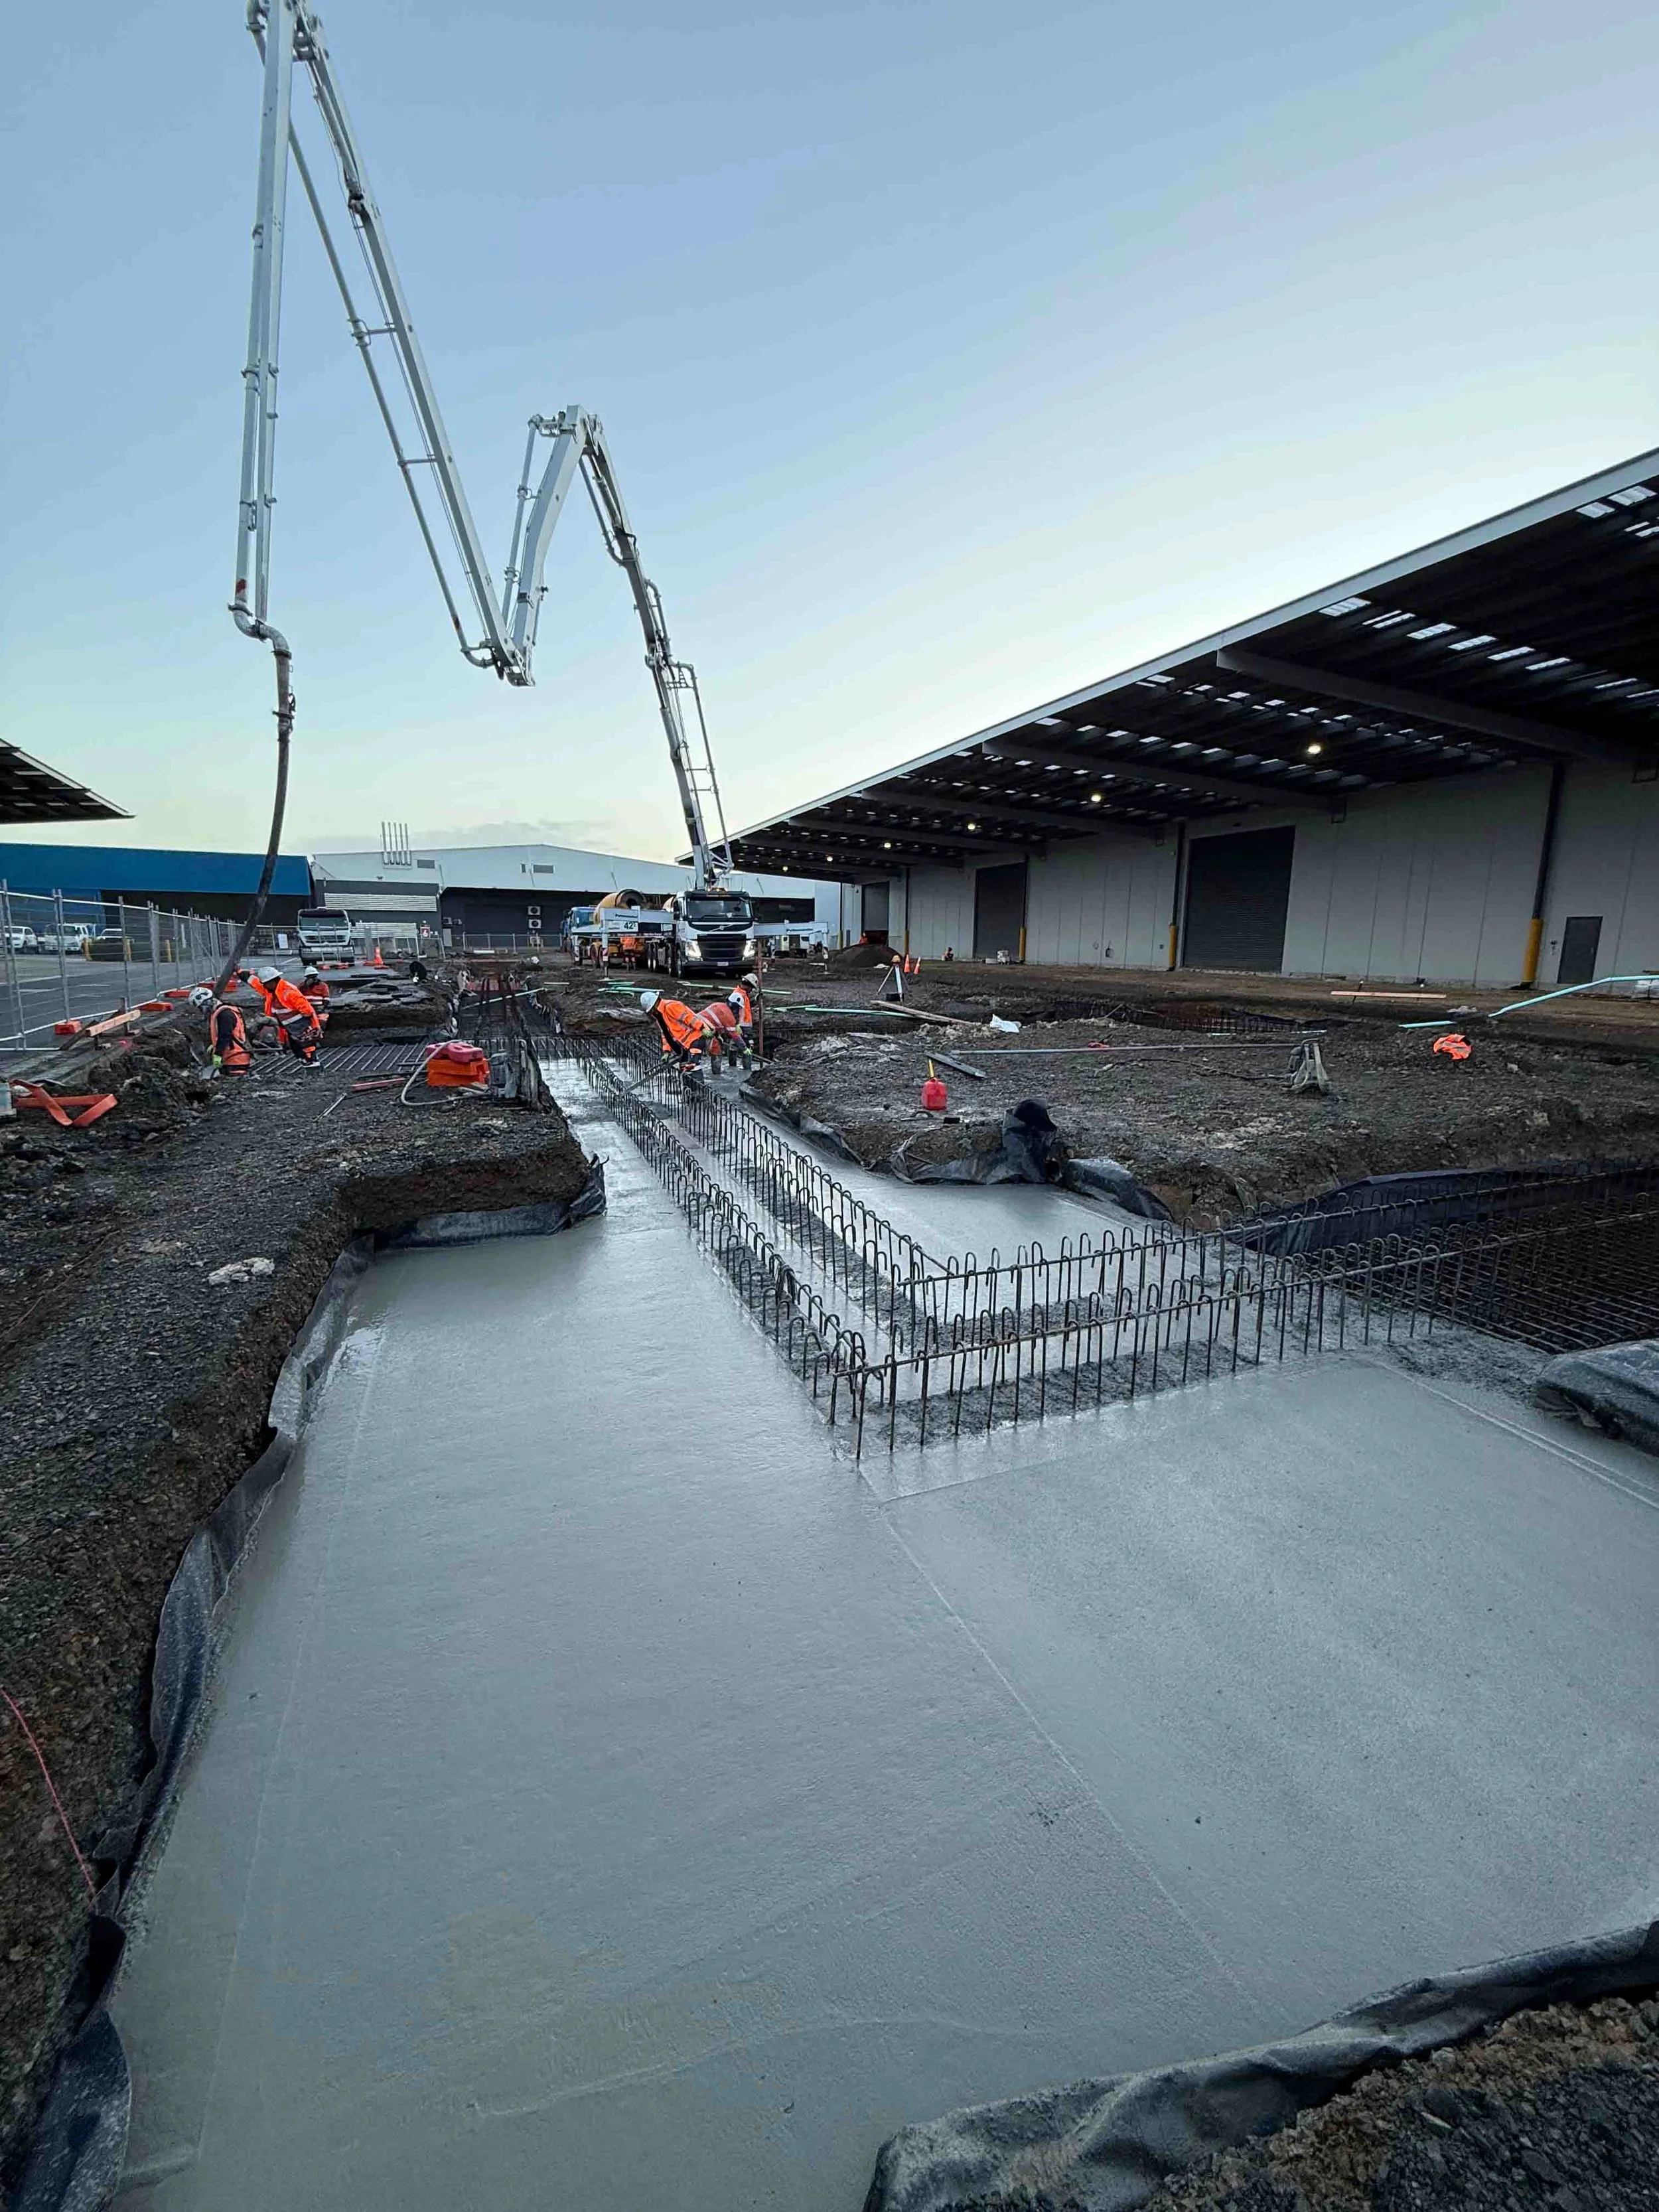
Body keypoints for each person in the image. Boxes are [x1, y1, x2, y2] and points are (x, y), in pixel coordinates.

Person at [243, 964, 323, 1065]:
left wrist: (314, 1027)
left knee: (307, 1051)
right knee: (297, 1051)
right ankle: (308, 1066)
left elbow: (308, 1012)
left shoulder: (289, 992)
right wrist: (243, 974)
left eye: (265, 984)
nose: (264, 986)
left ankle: (314, 1067)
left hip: (300, 1027)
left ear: (272, 982)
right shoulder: (272, 990)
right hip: (289, 1028)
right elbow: (257, 985)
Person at [640, 988, 713, 1068]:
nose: (651, 1013)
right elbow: (665, 1034)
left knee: (693, 1067)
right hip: (685, 1044)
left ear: (655, 1005)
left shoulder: (671, 1006)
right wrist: (666, 1051)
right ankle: (687, 1079)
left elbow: (689, 1018)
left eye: (651, 1011)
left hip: (696, 1037)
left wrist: (702, 1028)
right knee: (684, 1068)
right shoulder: (660, 1016)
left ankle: (698, 1078)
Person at [192, 984, 250, 1073]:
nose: (202, 1011)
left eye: (201, 1008)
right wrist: (215, 1045)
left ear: (207, 1003)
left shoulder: (225, 1015)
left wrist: (218, 1054)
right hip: (234, 1059)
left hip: (235, 1061)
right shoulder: (222, 1012)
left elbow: (225, 1036)